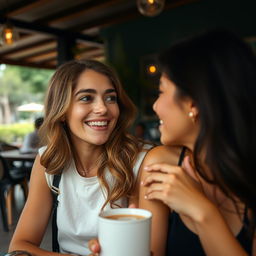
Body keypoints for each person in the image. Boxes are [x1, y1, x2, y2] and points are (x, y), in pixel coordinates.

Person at [89, 29, 256, 256]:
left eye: (161, 92)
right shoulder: (161, 165)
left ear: (193, 104)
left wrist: (201, 212)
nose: (156, 106)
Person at [8, 60, 153, 255]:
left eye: (110, 98)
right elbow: (19, 246)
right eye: (86, 98)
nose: (102, 108)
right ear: (62, 112)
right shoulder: (48, 162)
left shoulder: (141, 161)